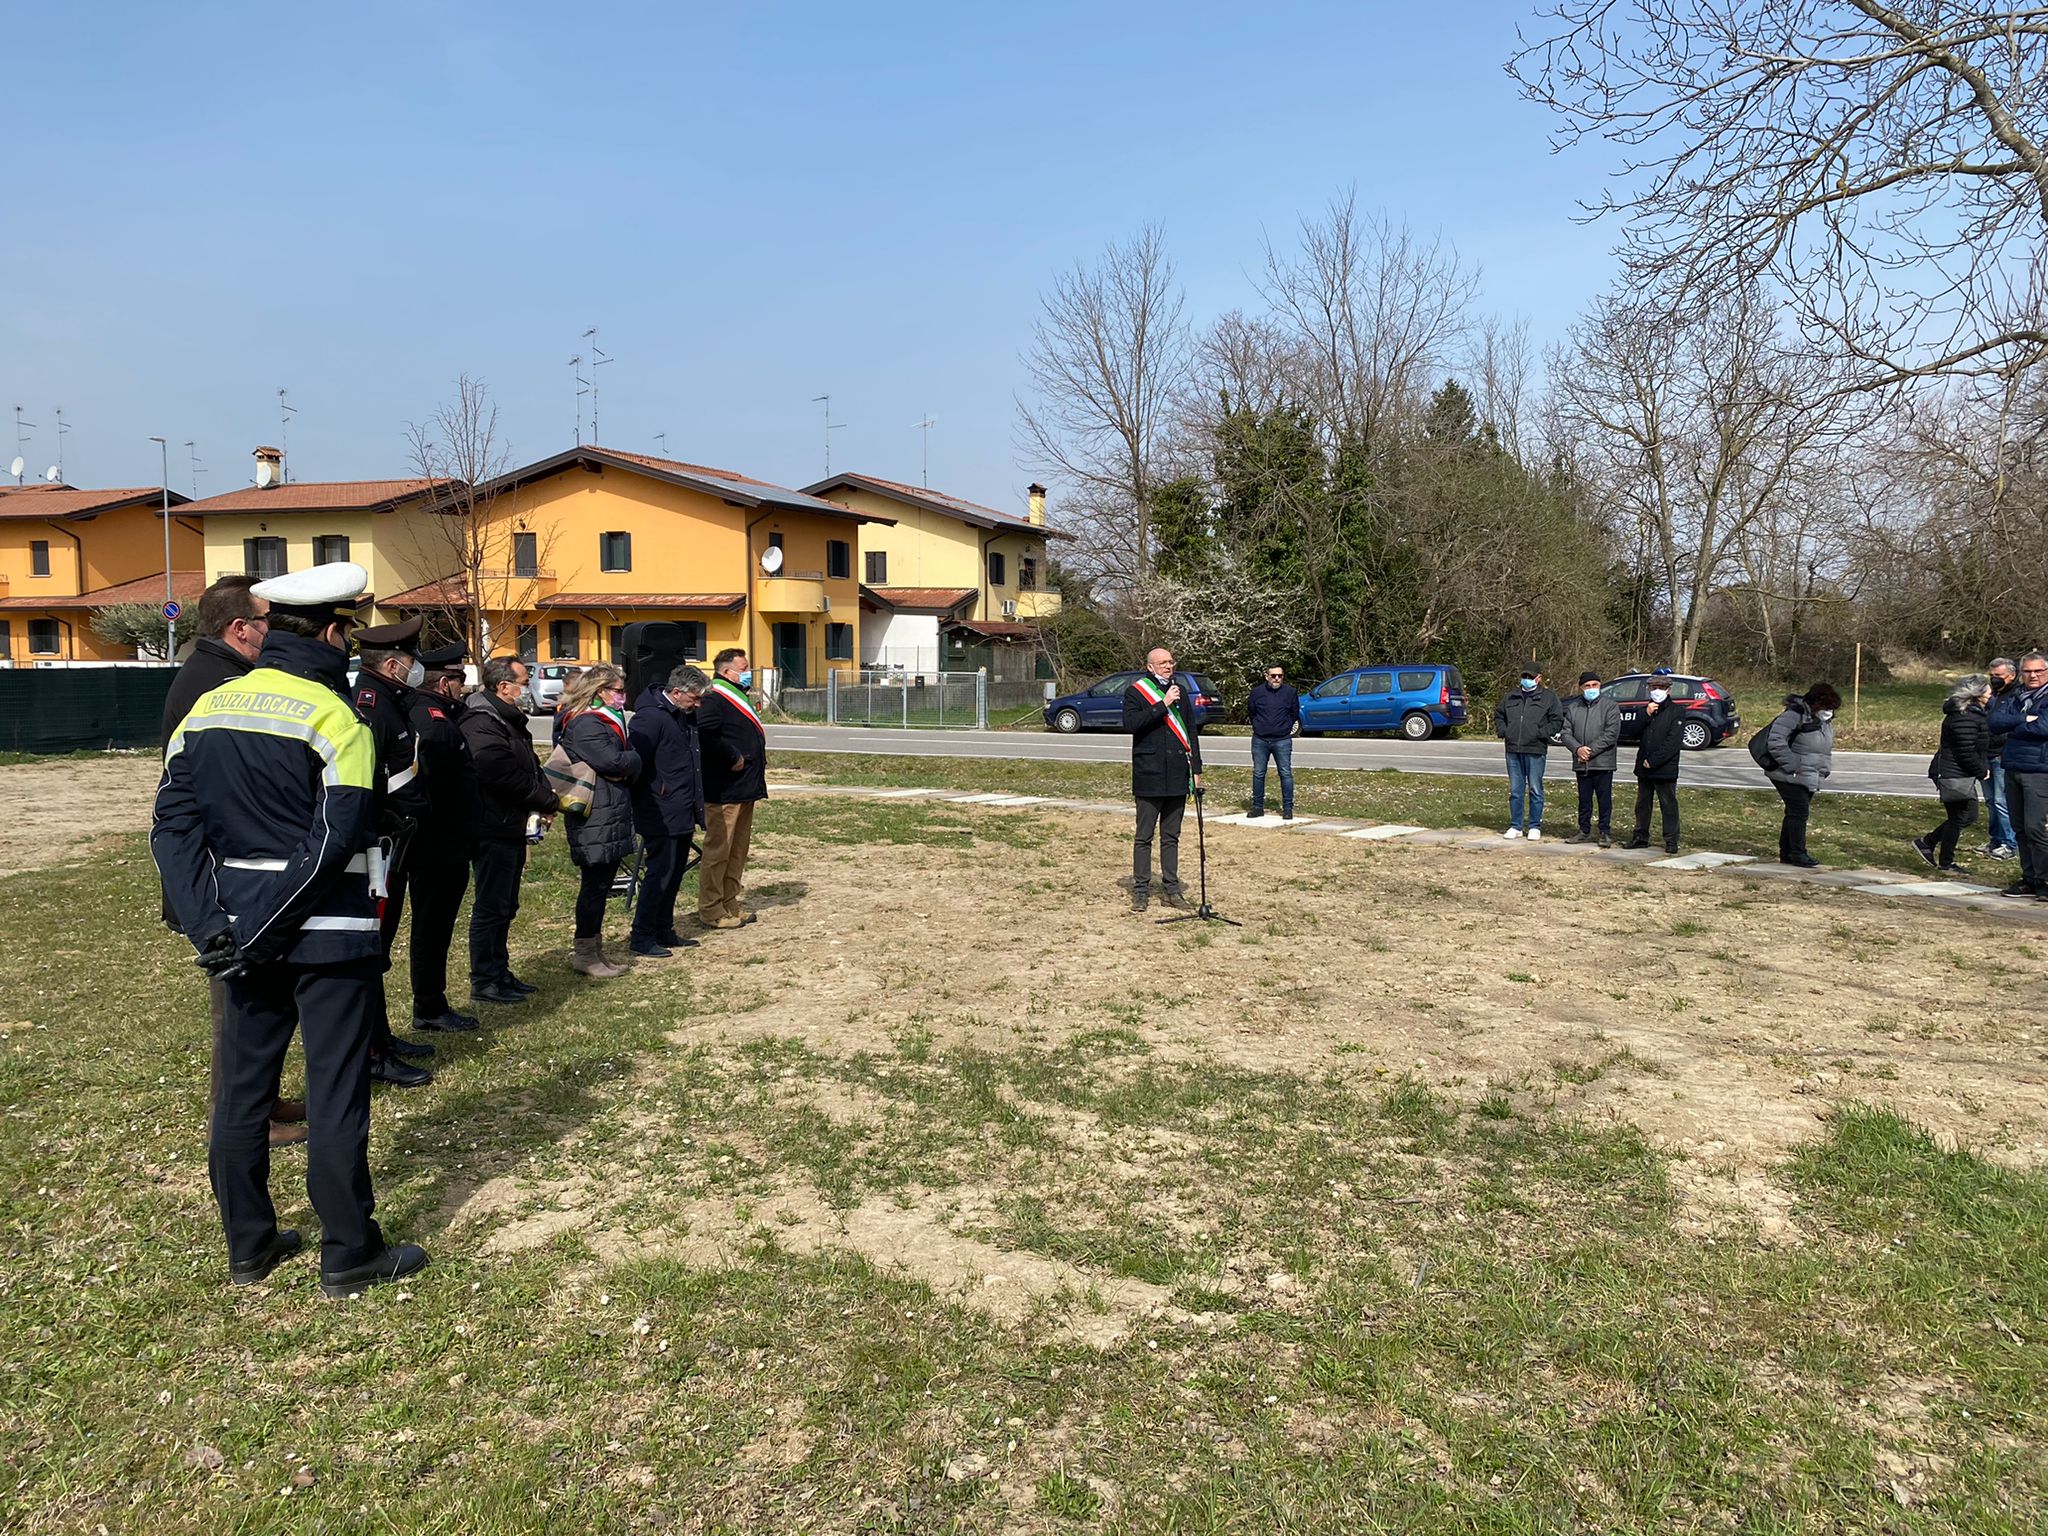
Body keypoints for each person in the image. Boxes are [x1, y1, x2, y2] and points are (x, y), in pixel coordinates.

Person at [152, 560, 428, 1298]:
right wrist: (271, 923)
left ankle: (249, 1245)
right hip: (327, 932)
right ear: (334, 633)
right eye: (350, 633)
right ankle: (349, 1252)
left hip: (239, 935)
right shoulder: (339, 716)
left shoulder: (208, 708)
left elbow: (171, 831)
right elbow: (335, 837)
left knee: (242, 1095)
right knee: (335, 1091)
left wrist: (213, 927)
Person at [159, 576, 307, 1150]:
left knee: (255, 999)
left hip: (229, 873)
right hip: (222, 880)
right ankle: (244, 1117)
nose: (273, 631)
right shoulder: (215, 684)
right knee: (236, 1012)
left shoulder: (220, 673)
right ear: (239, 628)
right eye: (266, 620)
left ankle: (262, 1101)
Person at [349, 617, 436, 1088]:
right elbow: (373, 779)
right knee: (371, 949)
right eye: (412, 658)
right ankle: (372, 1052)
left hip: (397, 843)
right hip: (380, 848)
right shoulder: (372, 704)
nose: (417, 666)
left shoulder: (390, 699)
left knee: (379, 949)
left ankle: (382, 1037)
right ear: (394, 663)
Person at [461, 657, 559, 1003]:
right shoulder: (481, 723)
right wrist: (546, 800)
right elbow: (498, 772)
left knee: (506, 904)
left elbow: (529, 765)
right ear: (504, 687)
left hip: (510, 824)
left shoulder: (507, 720)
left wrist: (544, 797)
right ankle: (484, 980)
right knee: (491, 906)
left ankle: (500, 972)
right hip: (491, 826)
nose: (527, 686)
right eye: (523, 679)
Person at [404, 643, 480, 1031]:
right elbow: (434, 786)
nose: (464, 687)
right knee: (432, 927)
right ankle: (429, 1006)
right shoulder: (431, 720)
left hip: (445, 840)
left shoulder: (437, 714)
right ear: (445, 682)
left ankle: (431, 1002)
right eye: (460, 679)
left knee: (437, 926)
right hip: (438, 843)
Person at [555, 664, 642, 976]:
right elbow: (613, 761)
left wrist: (625, 764)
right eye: (617, 691)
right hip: (595, 816)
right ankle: (585, 953)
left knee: (602, 884)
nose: (622, 696)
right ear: (599, 692)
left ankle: (596, 950)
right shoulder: (587, 724)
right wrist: (635, 759)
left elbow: (618, 764)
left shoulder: (608, 721)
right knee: (594, 886)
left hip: (609, 812)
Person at [628, 664, 708, 957]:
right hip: (659, 811)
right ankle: (642, 936)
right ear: (677, 692)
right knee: (659, 874)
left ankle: (664, 929)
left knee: (674, 874)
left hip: (683, 807)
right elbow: (636, 764)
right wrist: (656, 794)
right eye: (694, 698)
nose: (697, 704)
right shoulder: (650, 718)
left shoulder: (684, 717)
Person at [1123, 646, 1203, 912]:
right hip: (1150, 773)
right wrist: (1163, 704)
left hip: (1177, 773)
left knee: (1171, 836)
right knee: (1144, 837)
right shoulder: (1137, 691)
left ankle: (1171, 890)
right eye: (1163, 662)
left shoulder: (1180, 691)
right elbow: (1132, 724)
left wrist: (1197, 769)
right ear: (1150, 667)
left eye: (1171, 661)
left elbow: (1191, 731)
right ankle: (1141, 891)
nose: (1169, 666)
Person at [695, 647, 768, 931]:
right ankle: (711, 908)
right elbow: (706, 733)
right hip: (724, 788)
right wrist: (732, 756)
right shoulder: (713, 697)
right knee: (719, 849)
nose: (748, 673)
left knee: (738, 849)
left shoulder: (737, 696)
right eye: (744, 668)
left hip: (744, 787)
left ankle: (730, 900)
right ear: (727, 672)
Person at [1913, 675, 1992, 874]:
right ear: (1976, 695)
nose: (1991, 696)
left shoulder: (1970, 714)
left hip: (1957, 773)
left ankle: (1928, 843)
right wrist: (1981, 771)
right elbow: (1965, 750)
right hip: (1953, 773)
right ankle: (1944, 860)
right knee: (1961, 816)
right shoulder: (1964, 717)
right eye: (1988, 692)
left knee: (1964, 816)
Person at [1760, 682, 1841, 868]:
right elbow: (1775, 741)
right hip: (1788, 773)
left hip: (1810, 773)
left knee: (1794, 813)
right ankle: (1798, 853)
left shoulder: (1824, 721)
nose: (1829, 711)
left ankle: (1787, 852)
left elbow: (1822, 750)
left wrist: (1824, 769)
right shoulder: (1794, 715)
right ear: (1815, 704)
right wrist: (1792, 765)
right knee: (1799, 812)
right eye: (1826, 707)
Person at [1989, 650, 2048, 902]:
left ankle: (2044, 879)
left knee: (2036, 827)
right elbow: (1994, 722)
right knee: (2020, 828)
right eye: (2028, 671)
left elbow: (2044, 727)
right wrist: (2024, 719)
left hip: (2039, 770)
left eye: (2038, 671)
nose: (2032, 676)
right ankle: (2029, 878)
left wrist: (2014, 726)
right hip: (2012, 765)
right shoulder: (2017, 696)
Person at [1494, 664, 1563, 840]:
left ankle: (1534, 826)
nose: (1527, 679)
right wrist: (1504, 731)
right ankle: (1516, 825)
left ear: (1539, 678)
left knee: (1535, 789)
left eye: (1530, 677)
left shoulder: (1549, 697)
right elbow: (1499, 715)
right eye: (1524, 675)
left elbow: (1557, 720)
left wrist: (1540, 734)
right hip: (1513, 749)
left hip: (1535, 749)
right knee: (1516, 790)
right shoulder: (1511, 696)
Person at [1621, 676, 1687, 854]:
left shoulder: (1677, 711)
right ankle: (1640, 836)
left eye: (1661, 687)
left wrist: (1655, 760)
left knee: (1668, 804)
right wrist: (1645, 715)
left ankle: (1671, 840)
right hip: (1644, 767)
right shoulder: (1645, 710)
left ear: (1668, 690)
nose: (1657, 691)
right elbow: (1631, 732)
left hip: (1664, 767)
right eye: (1653, 687)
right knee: (1642, 804)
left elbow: (1673, 742)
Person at [1559, 670, 1621, 847]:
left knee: (1604, 799)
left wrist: (1591, 750)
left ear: (1600, 686)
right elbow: (1565, 732)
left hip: (1603, 762)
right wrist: (1577, 749)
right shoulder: (1573, 707)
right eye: (1587, 686)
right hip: (1581, 763)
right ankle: (1583, 830)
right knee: (1584, 800)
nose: (1591, 688)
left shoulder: (1610, 706)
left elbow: (1611, 733)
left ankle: (1605, 832)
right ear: (1581, 688)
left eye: (1595, 685)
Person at [1245, 663, 1299, 820]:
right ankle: (1257, 807)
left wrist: (1285, 727)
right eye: (1273, 676)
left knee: (1285, 773)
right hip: (1260, 739)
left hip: (1282, 740)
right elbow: (1252, 711)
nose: (1276, 679)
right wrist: (1259, 726)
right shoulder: (1257, 692)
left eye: (1280, 676)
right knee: (1259, 773)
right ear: (1266, 676)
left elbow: (1294, 713)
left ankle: (1288, 808)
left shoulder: (1290, 692)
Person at [1985, 657, 2019, 859]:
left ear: (2011, 676)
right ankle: (1996, 839)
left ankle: (2010, 843)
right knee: (1990, 800)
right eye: (1991, 676)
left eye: (1998, 676)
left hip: (2001, 754)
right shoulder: (1993, 696)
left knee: (2001, 800)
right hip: (1986, 753)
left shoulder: (2016, 695)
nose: (1994, 679)